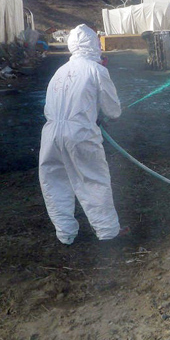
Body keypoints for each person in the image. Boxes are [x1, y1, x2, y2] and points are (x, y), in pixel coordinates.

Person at [38, 24, 127, 245]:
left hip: (50, 134)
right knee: (92, 179)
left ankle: (65, 234)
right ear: (94, 44)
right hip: (79, 133)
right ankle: (108, 231)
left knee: (54, 181)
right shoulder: (97, 70)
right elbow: (113, 111)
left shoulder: (60, 71)